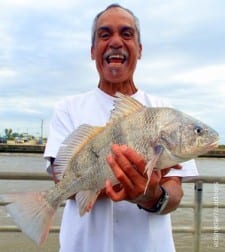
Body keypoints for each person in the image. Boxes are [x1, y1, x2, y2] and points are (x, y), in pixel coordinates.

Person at [44, 4, 198, 252]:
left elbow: (175, 191)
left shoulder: (163, 111)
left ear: (139, 49)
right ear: (93, 50)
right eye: (105, 34)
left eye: (127, 34)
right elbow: (61, 178)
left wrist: (151, 196)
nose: (116, 41)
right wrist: (128, 183)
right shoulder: (67, 108)